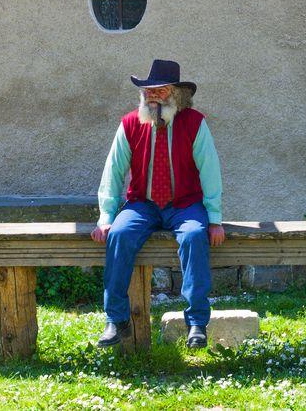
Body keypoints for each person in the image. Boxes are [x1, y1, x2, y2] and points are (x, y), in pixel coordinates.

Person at [91, 59, 224, 349]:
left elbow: (210, 171)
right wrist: (106, 217)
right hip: (143, 204)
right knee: (119, 235)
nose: (152, 96)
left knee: (192, 236)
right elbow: (113, 171)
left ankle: (197, 323)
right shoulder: (130, 123)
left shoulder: (195, 123)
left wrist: (214, 219)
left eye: (160, 91)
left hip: (185, 205)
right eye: (148, 91)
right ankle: (115, 320)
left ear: (176, 94)